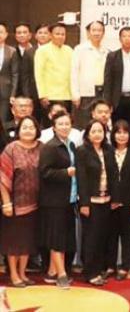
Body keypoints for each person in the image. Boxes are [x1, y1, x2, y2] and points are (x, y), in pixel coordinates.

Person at [76, 119, 119, 286]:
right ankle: (90, 272)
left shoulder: (108, 150)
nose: (97, 134)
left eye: (100, 131)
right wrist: (84, 203)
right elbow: (81, 179)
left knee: (102, 236)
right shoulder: (82, 151)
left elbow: (114, 175)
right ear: (87, 134)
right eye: (93, 131)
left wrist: (115, 198)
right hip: (90, 202)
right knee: (91, 238)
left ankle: (99, 269)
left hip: (106, 200)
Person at [0, 116, 41, 287]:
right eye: (25, 127)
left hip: (36, 204)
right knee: (14, 242)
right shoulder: (11, 149)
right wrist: (6, 203)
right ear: (18, 130)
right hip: (15, 205)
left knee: (27, 241)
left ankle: (23, 274)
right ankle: (14, 274)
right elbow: (2, 178)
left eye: (31, 127)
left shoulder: (42, 148)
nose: (28, 130)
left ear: (37, 130)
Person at [39, 111, 77, 289]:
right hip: (54, 201)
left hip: (69, 199)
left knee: (64, 238)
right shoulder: (50, 147)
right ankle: (61, 275)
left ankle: (52, 272)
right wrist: (65, 173)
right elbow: (44, 173)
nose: (64, 127)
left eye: (67, 123)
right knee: (56, 239)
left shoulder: (71, 144)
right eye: (60, 124)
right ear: (53, 127)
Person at [105, 120, 130, 281]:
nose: (121, 136)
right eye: (118, 132)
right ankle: (110, 265)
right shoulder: (107, 152)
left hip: (129, 201)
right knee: (111, 235)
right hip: (111, 201)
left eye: (125, 132)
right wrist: (111, 198)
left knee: (127, 235)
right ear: (113, 135)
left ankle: (125, 266)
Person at [71, 21, 109, 128]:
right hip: (85, 94)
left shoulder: (106, 51)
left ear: (103, 33)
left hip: (101, 92)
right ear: (88, 33)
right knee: (83, 124)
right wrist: (75, 94)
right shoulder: (79, 49)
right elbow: (74, 72)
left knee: (100, 124)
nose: (97, 33)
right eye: (94, 30)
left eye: (99, 30)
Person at [34, 23, 73, 113]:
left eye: (63, 34)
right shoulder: (42, 50)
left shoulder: (69, 50)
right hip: (50, 96)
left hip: (67, 95)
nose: (60, 36)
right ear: (50, 35)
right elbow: (38, 74)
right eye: (57, 34)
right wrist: (42, 95)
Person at [0, 22, 19, 125]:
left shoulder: (12, 51)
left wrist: (13, 94)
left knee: (3, 120)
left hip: (5, 91)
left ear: (6, 34)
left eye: (1, 32)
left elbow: (15, 74)